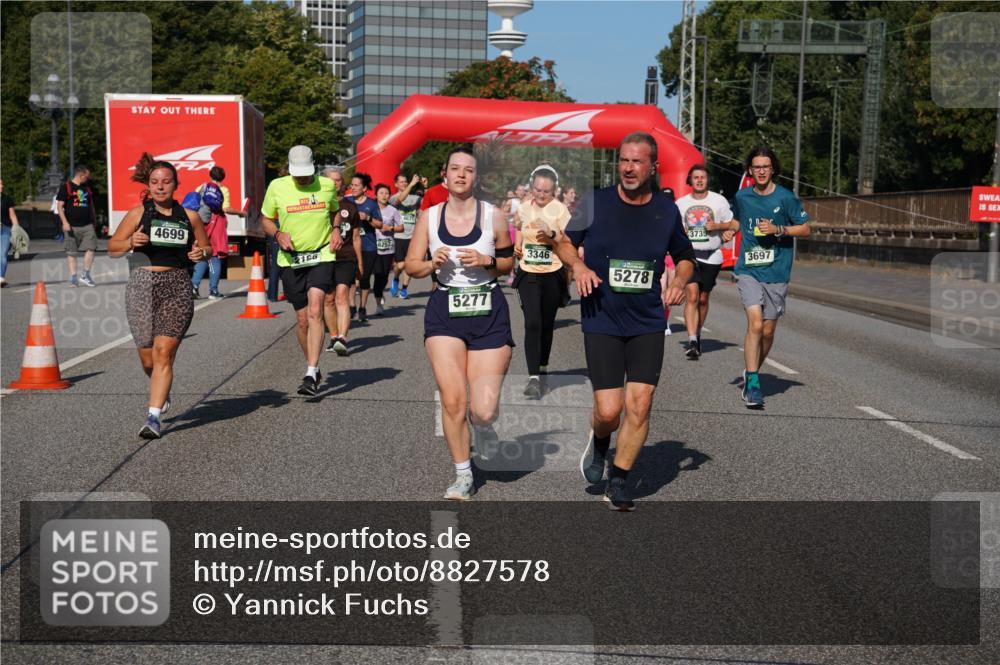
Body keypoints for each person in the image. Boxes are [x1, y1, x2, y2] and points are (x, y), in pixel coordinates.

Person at [555, 132, 695, 511]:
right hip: (601, 314)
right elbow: (565, 242)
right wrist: (578, 266)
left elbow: (685, 255)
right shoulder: (595, 201)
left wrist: (679, 281)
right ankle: (601, 440)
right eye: (624, 160)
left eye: (637, 162)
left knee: (640, 404)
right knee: (608, 411)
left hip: (647, 319)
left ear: (654, 167)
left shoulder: (666, 210)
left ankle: (618, 479)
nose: (629, 168)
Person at [404, 146, 515, 501]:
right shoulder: (429, 217)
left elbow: (508, 263)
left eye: (468, 169)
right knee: (453, 401)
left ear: (476, 177)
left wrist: (487, 261)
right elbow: (411, 266)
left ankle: (483, 427)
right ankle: (463, 474)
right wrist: (430, 263)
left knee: (483, 410)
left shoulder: (494, 216)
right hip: (444, 312)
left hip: (488, 312)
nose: (461, 174)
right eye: (455, 168)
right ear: (445, 174)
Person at [107, 153, 212, 439]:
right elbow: (113, 248)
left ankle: (152, 418)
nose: (160, 186)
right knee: (148, 359)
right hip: (141, 285)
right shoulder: (138, 214)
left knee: (164, 352)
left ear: (176, 184)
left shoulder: (189, 217)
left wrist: (200, 253)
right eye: (154, 182)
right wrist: (130, 241)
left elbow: (207, 248)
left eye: (166, 181)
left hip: (177, 285)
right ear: (149, 185)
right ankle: (161, 391)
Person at [729, 146, 810, 409]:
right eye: (757, 167)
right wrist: (729, 231)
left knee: (767, 331)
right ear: (750, 170)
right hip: (749, 269)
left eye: (765, 166)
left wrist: (778, 229)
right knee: (755, 324)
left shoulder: (786, 198)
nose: (761, 171)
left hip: (777, 271)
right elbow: (738, 220)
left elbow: (805, 228)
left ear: (772, 169)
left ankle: (751, 371)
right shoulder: (742, 196)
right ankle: (753, 384)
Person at [260, 145, 342, 396]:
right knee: (303, 320)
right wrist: (278, 234)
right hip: (291, 259)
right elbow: (265, 219)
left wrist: (336, 230)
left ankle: (310, 372)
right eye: (298, 174)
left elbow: (335, 212)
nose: (302, 178)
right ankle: (313, 366)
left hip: (321, 254)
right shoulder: (277, 186)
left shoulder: (326, 186)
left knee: (316, 307)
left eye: (306, 173)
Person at [512, 167, 570, 398]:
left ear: (554, 190)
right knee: (533, 322)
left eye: (546, 191)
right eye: (537, 189)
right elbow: (520, 228)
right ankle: (533, 377)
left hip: (553, 272)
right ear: (531, 187)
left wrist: (551, 234)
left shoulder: (560, 209)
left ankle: (543, 366)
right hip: (529, 272)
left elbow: (567, 241)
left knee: (546, 324)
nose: (541, 194)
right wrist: (518, 246)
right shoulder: (524, 208)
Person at [675, 164, 735, 359]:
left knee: (702, 298)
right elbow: (673, 228)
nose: (699, 180)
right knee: (692, 295)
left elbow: (734, 224)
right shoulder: (681, 203)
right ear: (690, 181)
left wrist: (719, 227)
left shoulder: (719, 201)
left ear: (708, 180)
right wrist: (680, 233)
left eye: (703, 177)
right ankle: (692, 340)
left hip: (712, 254)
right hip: (689, 255)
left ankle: (698, 333)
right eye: (696, 177)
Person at [322, 167, 362, 356]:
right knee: (328, 299)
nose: (335, 183)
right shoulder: (319, 204)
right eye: (331, 180)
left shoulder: (350, 207)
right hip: (325, 257)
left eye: (338, 180)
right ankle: (333, 336)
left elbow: (356, 237)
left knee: (341, 296)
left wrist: (360, 263)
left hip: (346, 257)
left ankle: (342, 338)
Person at [346, 172, 382, 323]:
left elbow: (380, 224)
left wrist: (367, 218)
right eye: (352, 185)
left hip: (368, 246)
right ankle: (351, 306)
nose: (353, 188)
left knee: (364, 278)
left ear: (365, 188)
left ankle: (362, 307)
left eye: (356, 185)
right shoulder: (347, 201)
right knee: (351, 278)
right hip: (350, 246)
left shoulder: (372, 204)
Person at [57, 165, 99, 287]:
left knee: (91, 248)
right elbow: (59, 206)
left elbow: (91, 206)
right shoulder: (66, 187)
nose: (88, 179)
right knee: (72, 253)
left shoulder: (87, 188)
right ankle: (74, 278)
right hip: (71, 226)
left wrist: (94, 220)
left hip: (87, 225)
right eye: (87, 176)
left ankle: (85, 274)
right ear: (81, 175)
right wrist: (65, 222)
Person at [389, 173, 422, 298]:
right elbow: (400, 200)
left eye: (406, 181)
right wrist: (412, 184)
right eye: (401, 182)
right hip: (399, 236)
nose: (404, 183)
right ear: (396, 184)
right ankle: (396, 278)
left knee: (409, 265)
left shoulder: (415, 198)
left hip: (412, 237)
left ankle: (404, 289)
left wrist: (425, 187)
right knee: (401, 265)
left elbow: (427, 202)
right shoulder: (393, 198)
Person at [373, 183, 403, 315]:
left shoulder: (393, 210)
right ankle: (378, 304)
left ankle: (380, 293)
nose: (384, 196)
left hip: (388, 248)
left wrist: (390, 228)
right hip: (373, 247)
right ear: (376, 195)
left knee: (384, 276)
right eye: (381, 193)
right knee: (378, 274)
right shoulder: (371, 208)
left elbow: (401, 227)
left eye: (386, 193)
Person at [1, 178, 22, 288]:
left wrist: (17, 230)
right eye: (0, 184)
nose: (2, 186)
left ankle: (1, 278)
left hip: (5, 229)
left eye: (2, 183)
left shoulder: (7, 199)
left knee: (2, 254)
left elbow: (12, 216)